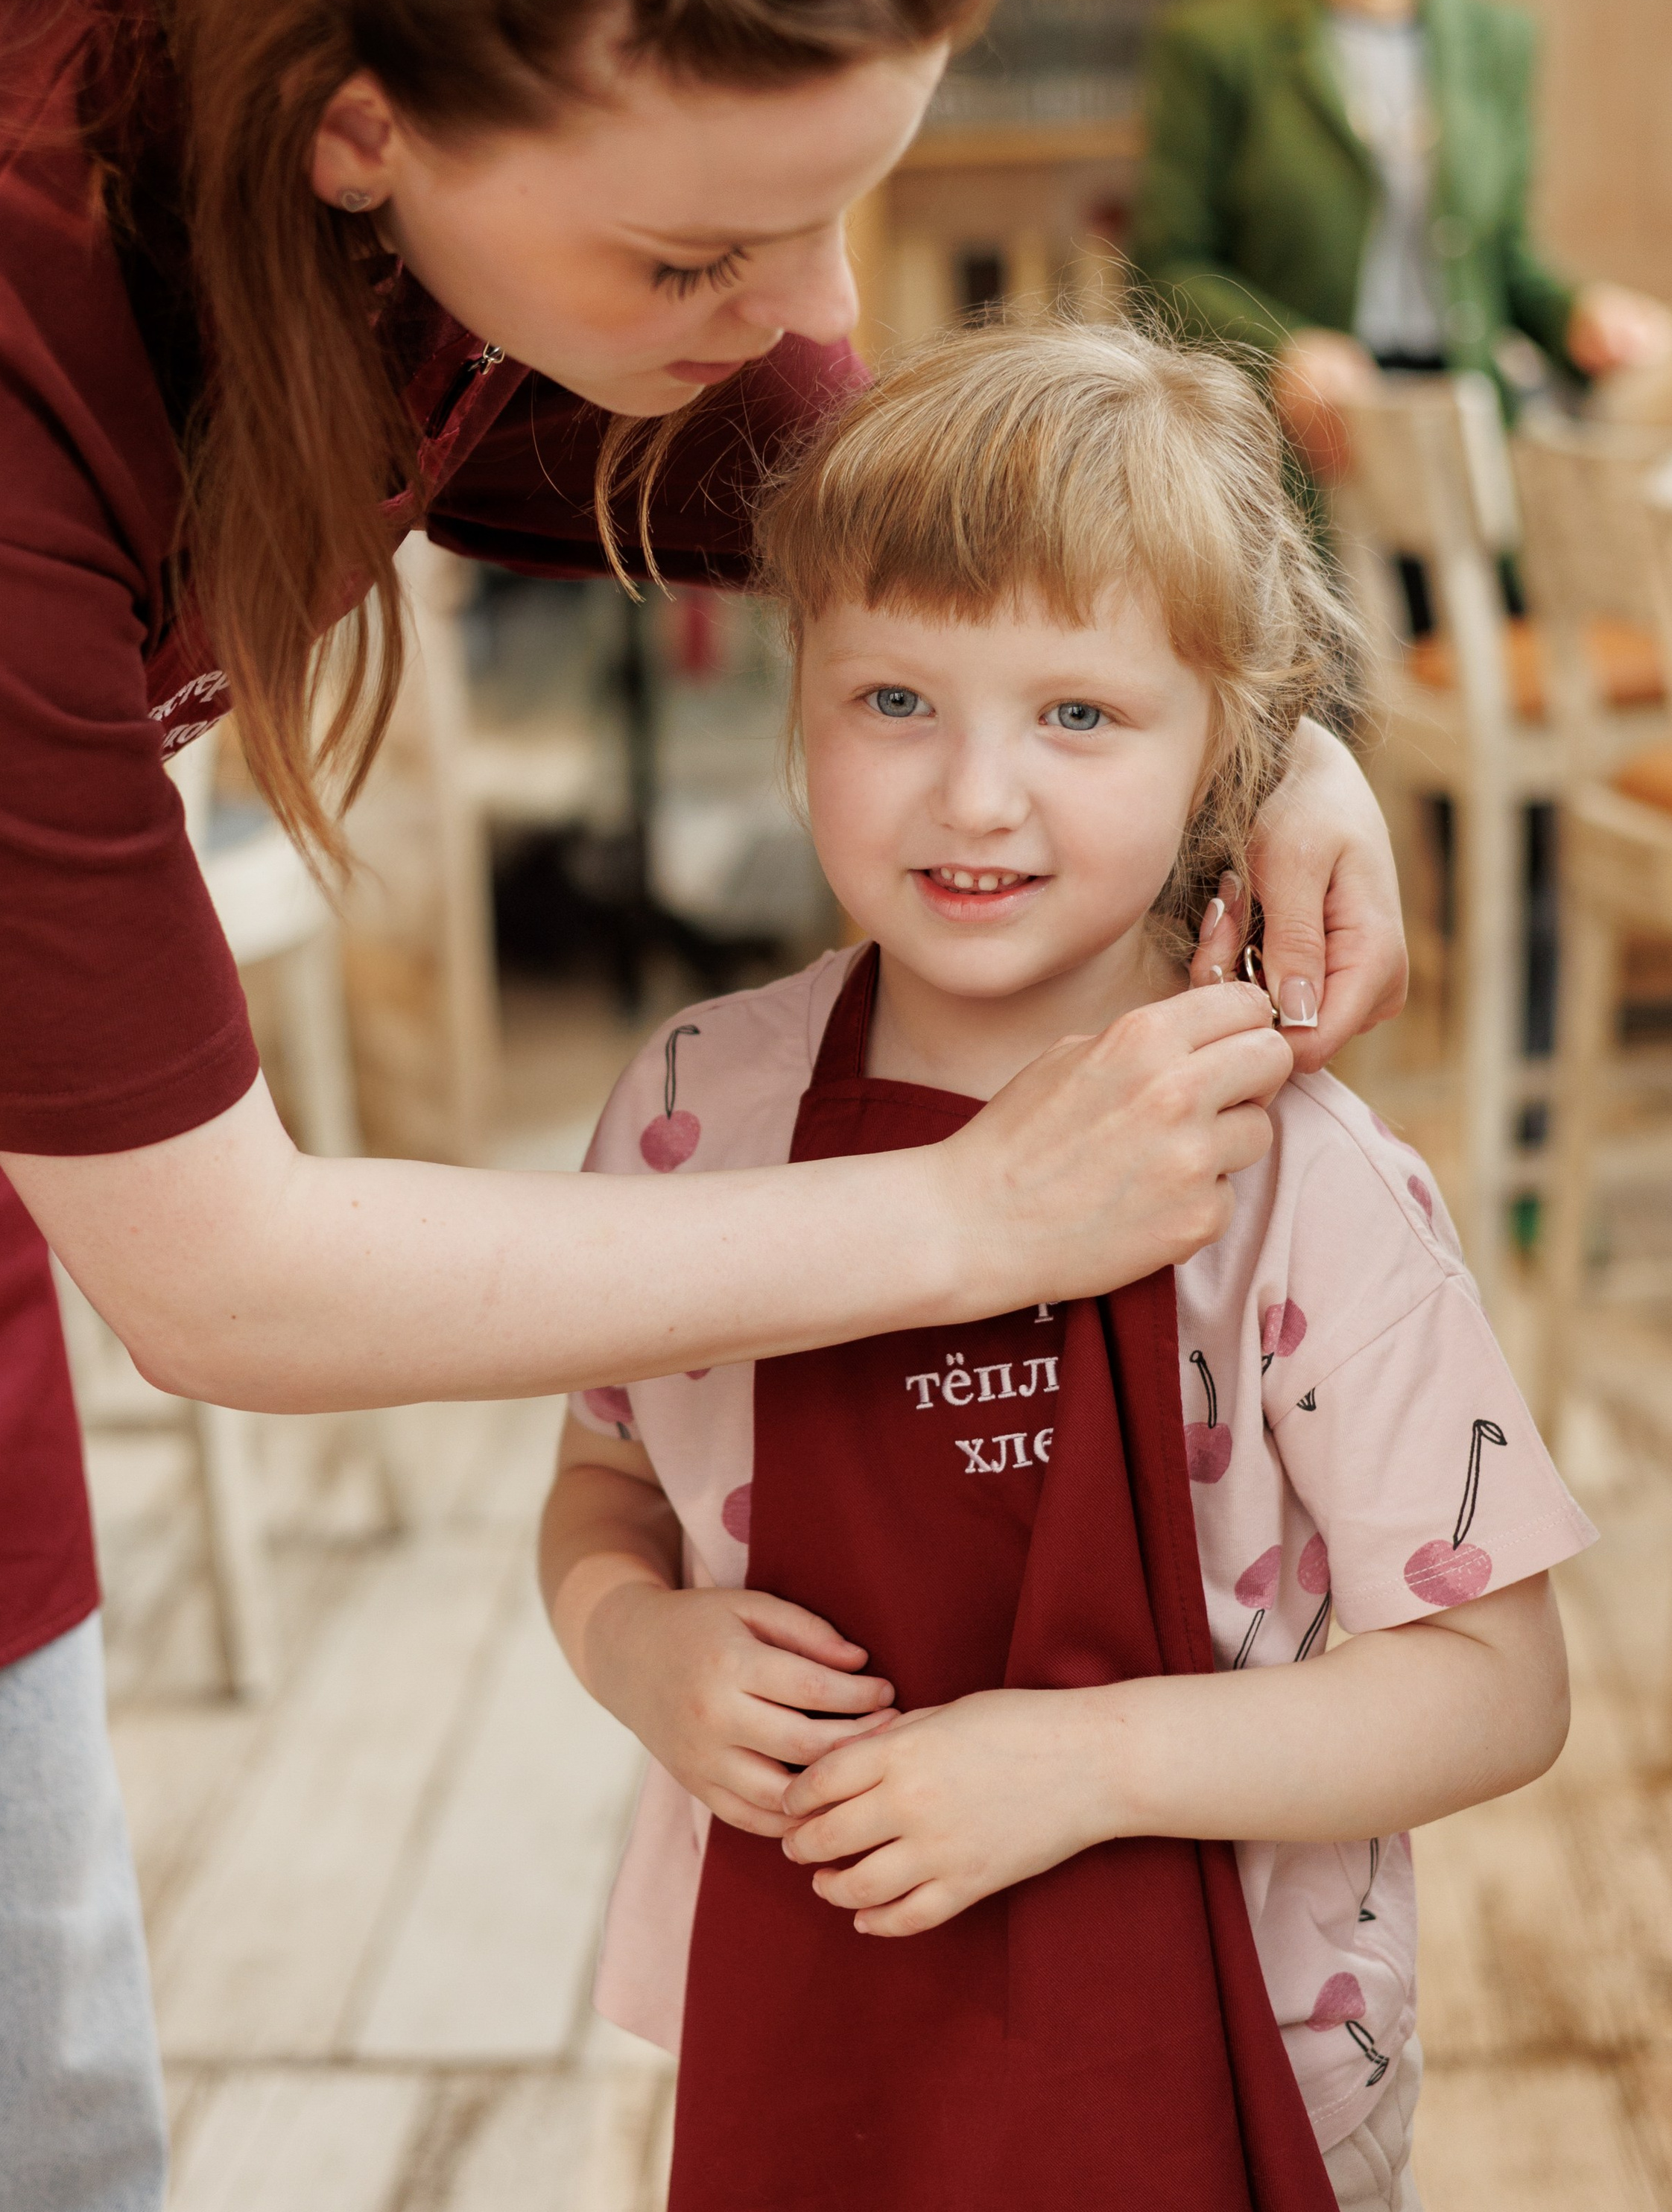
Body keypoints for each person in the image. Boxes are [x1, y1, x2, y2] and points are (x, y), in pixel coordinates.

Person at [0, 0, 1410, 2211]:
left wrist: (1274, 720)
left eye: (824, 207)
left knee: (25, 2119)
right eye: (695, 244)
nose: (776, 313)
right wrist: (984, 1212)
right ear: (360, 117)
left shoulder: (422, 175)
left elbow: (890, 514)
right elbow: (226, 1278)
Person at [543, 326, 1590, 2212]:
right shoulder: (693, 1106)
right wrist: (634, 1642)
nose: (970, 796)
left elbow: (1495, 1686)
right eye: (892, 701)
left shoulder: (1301, 1177)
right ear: (796, 688)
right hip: (800, 2031)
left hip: (1237, 2049)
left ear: (1230, 740)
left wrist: (1079, 1767)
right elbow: (603, 1480)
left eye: (1076, 715)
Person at [1128, 0, 1672, 484]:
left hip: (1468, 430)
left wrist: (1578, 313)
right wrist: (1284, 346)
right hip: (1297, 442)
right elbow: (1164, 266)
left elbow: (1502, 262)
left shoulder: (1498, 40)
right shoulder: (1214, 43)